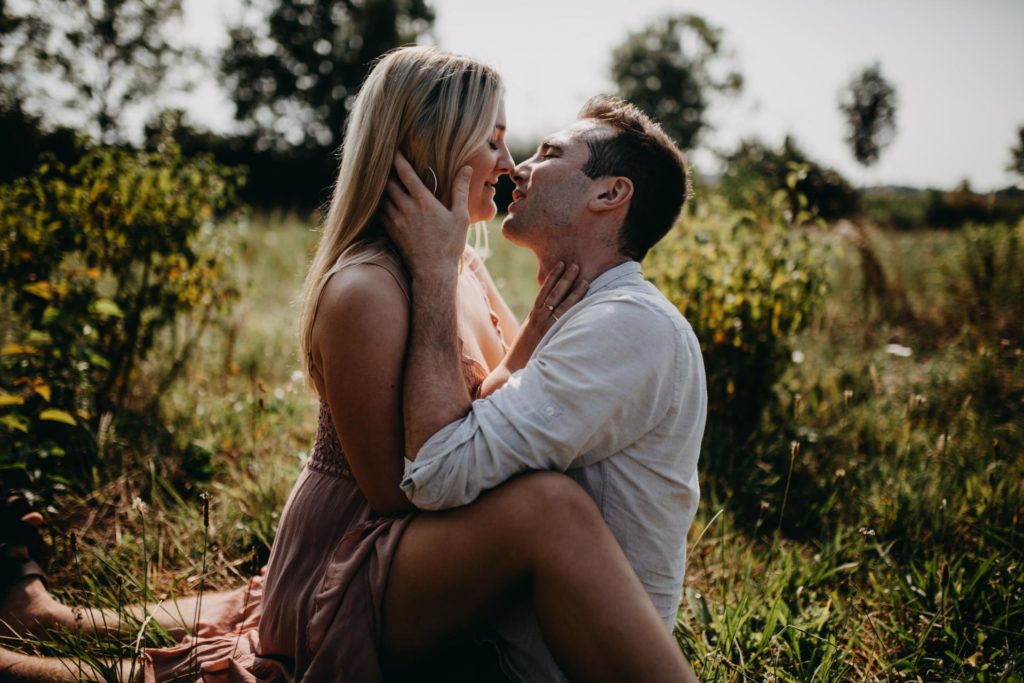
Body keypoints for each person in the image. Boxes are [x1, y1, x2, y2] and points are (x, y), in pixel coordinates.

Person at [0, 47, 696, 682]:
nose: (509, 164)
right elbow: (401, 489)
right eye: (492, 140)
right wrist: (439, 278)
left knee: (238, 627)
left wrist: (523, 321)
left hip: (419, 548)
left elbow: (488, 412)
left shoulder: (465, 267)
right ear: (435, 146)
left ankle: (43, 618)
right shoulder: (370, 288)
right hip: (370, 539)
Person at [382, 94, 707, 681]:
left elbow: (436, 471)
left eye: (549, 153)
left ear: (610, 194)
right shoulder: (584, 314)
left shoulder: (627, 326)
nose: (516, 167)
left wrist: (434, 271)